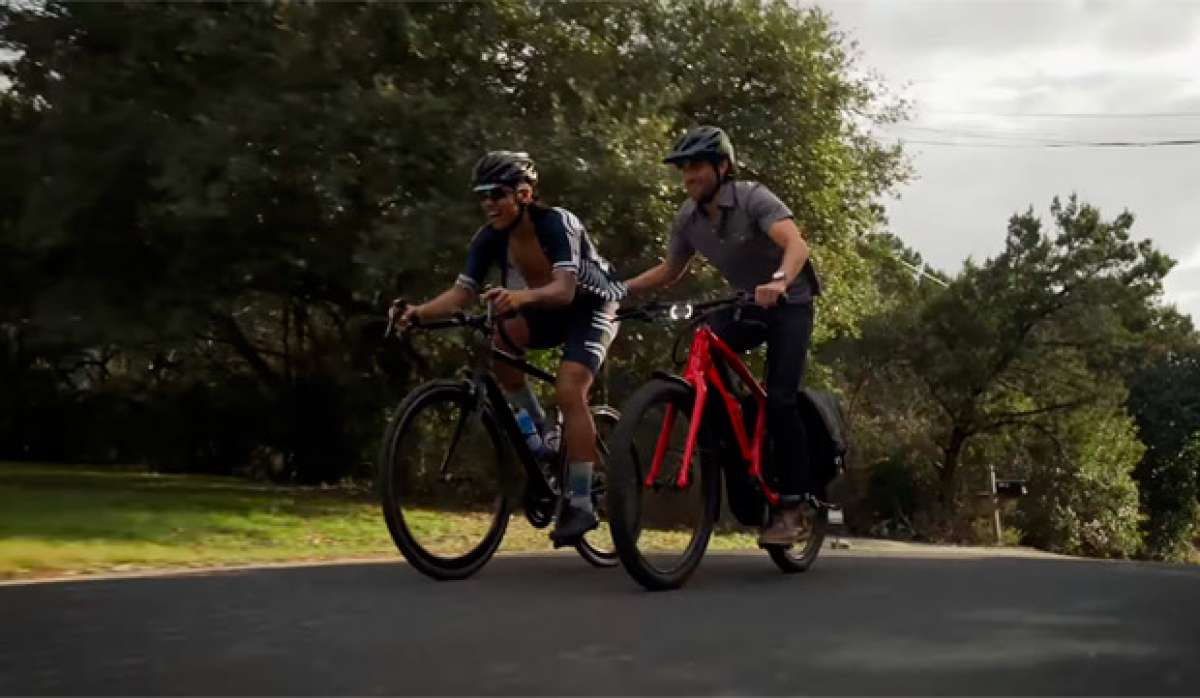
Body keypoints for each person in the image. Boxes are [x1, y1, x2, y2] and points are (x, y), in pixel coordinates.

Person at [392, 151, 626, 545]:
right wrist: (418, 313)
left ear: (525, 194)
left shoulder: (556, 223)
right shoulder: (489, 238)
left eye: (497, 194)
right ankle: (542, 438)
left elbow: (565, 289)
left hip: (592, 304)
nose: (488, 203)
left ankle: (581, 501)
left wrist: (519, 298)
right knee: (500, 342)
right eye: (482, 195)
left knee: (569, 389)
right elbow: (463, 292)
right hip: (544, 305)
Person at [621, 126, 822, 544]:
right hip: (748, 302)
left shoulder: (752, 197)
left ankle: (794, 505)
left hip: (791, 302)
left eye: (696, 166)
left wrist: (781, 282)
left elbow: (796, 245)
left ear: (722, 166)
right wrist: (620, 291)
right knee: (702, 348)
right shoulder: (688, 218)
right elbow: (669, 271)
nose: (688, 176)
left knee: (781, 397)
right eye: (683, 169)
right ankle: (735, 437)